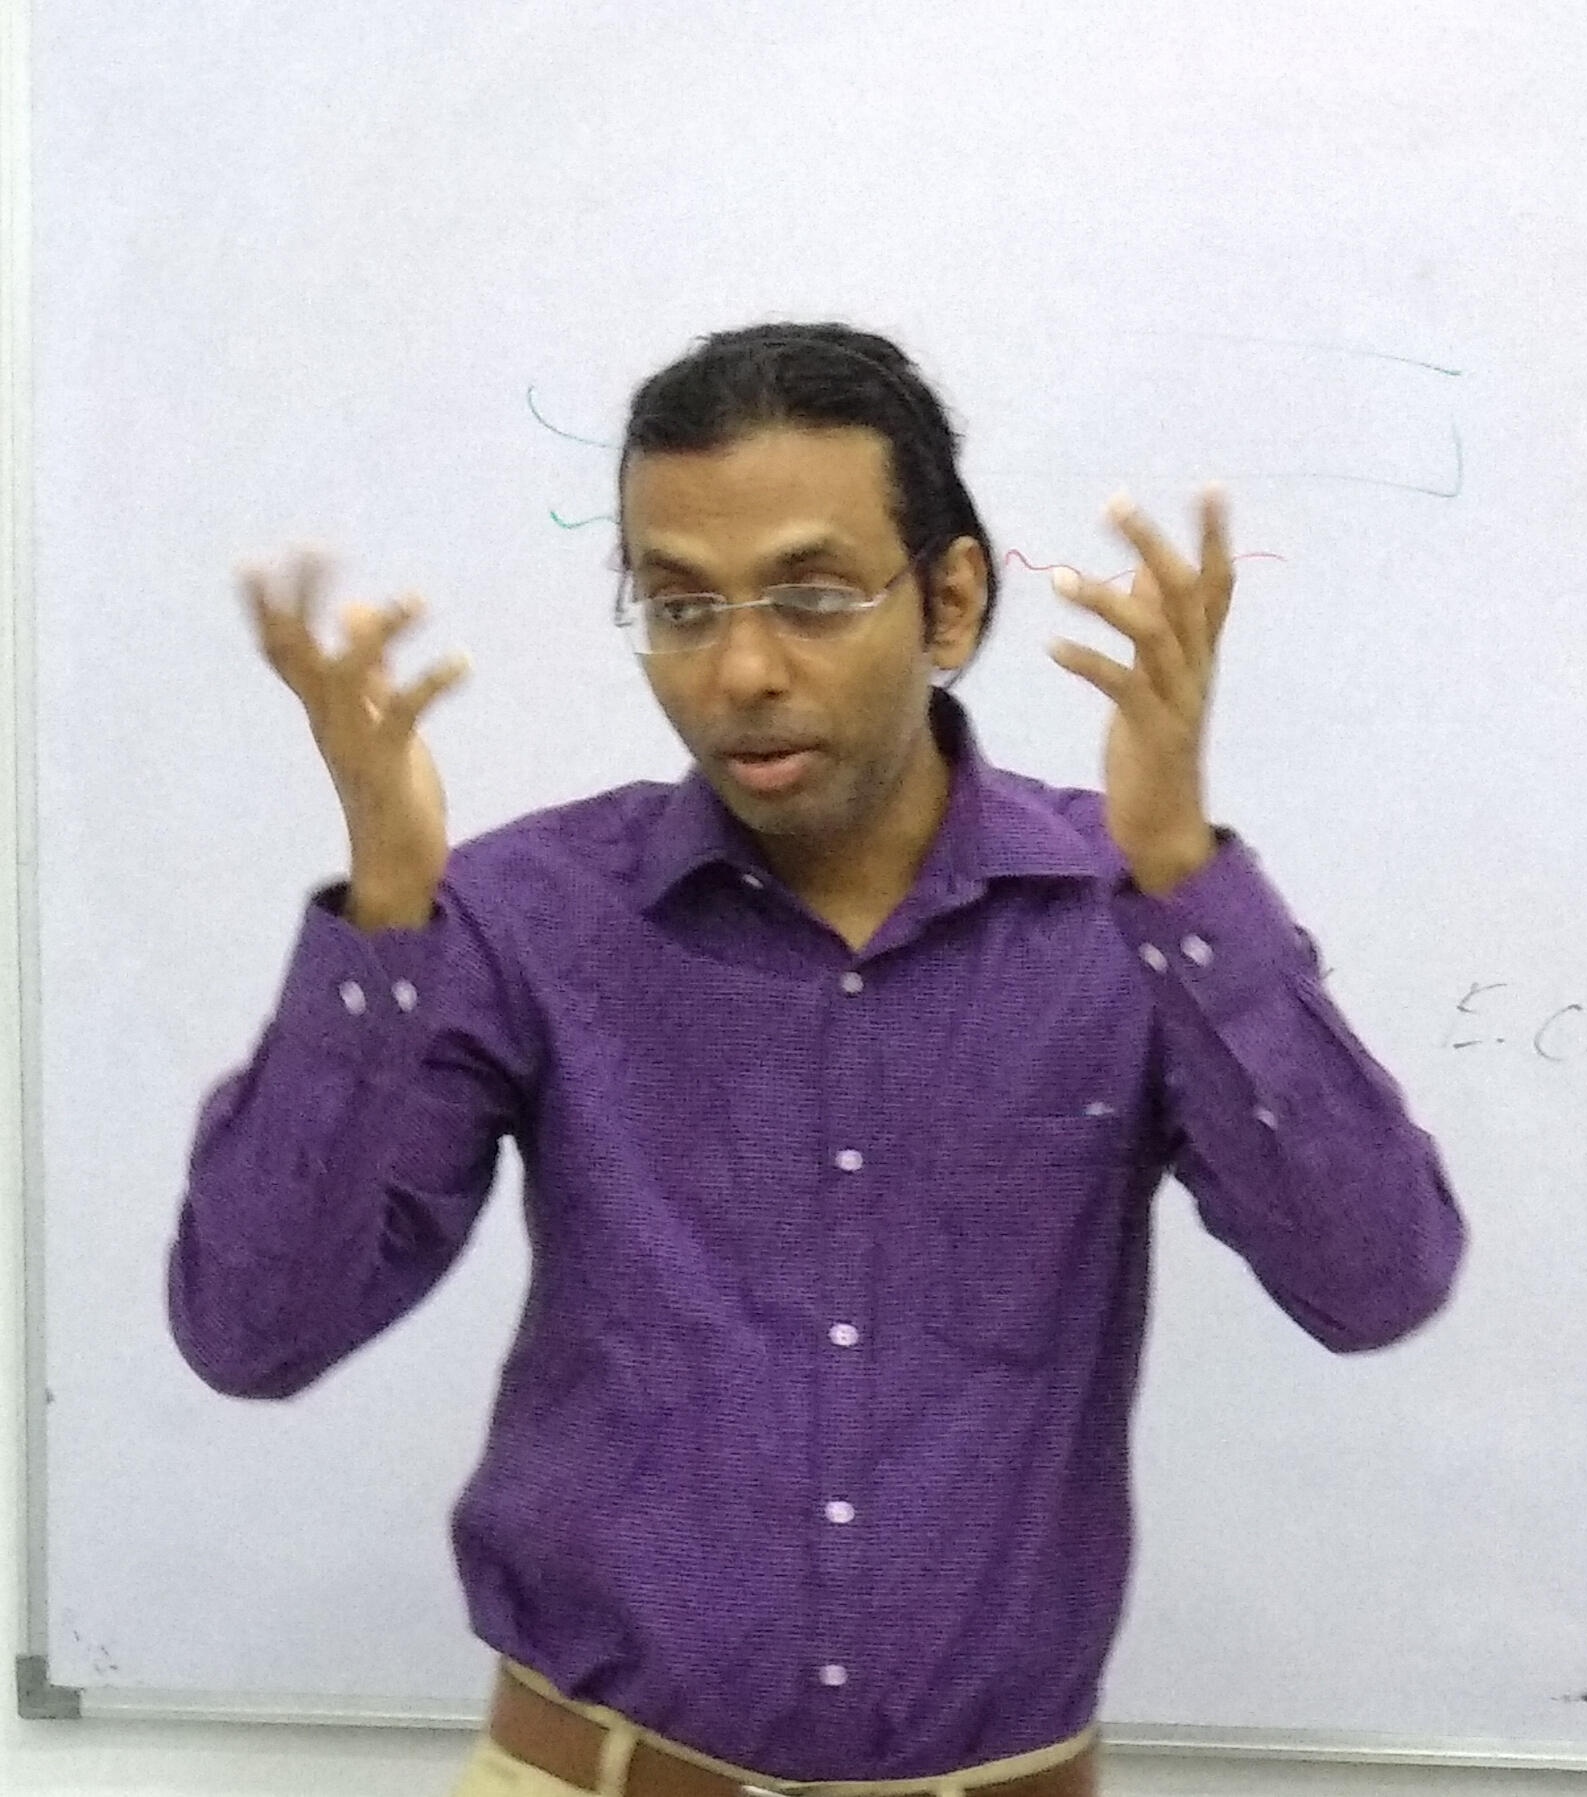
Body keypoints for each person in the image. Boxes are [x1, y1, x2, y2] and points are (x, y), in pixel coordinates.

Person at [165, 323, 1465, 1797]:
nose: (742, 668)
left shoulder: (1128, 917)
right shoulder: (529, 918)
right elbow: (253, 1329)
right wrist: (386, 912)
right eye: (678, 605)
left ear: (951, 598)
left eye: (812, 594)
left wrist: (1183, 881)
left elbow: (1376, 1280)